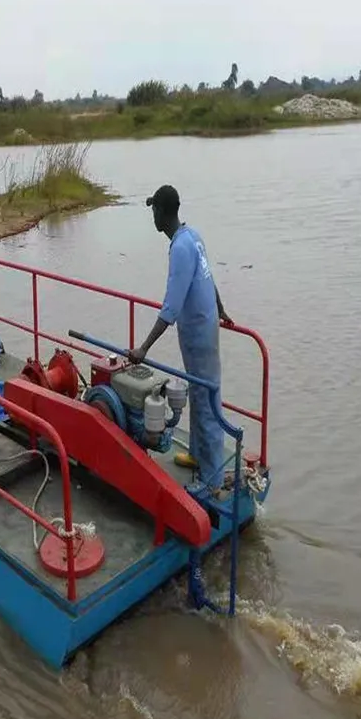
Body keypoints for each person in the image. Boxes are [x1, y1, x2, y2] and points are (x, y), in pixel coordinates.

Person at [127, 184, 233, 494]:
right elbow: (209, 277)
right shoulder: (192, 236)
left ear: (162, 213)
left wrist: (143, 348)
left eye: (153, 211)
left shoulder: (181, 248)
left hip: (198, 333)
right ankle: (199, 455)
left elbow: (171, 307)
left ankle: (211, 480)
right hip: (204, 324)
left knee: (206, 400)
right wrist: (222, 309)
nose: (153, 218)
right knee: (200, 394)